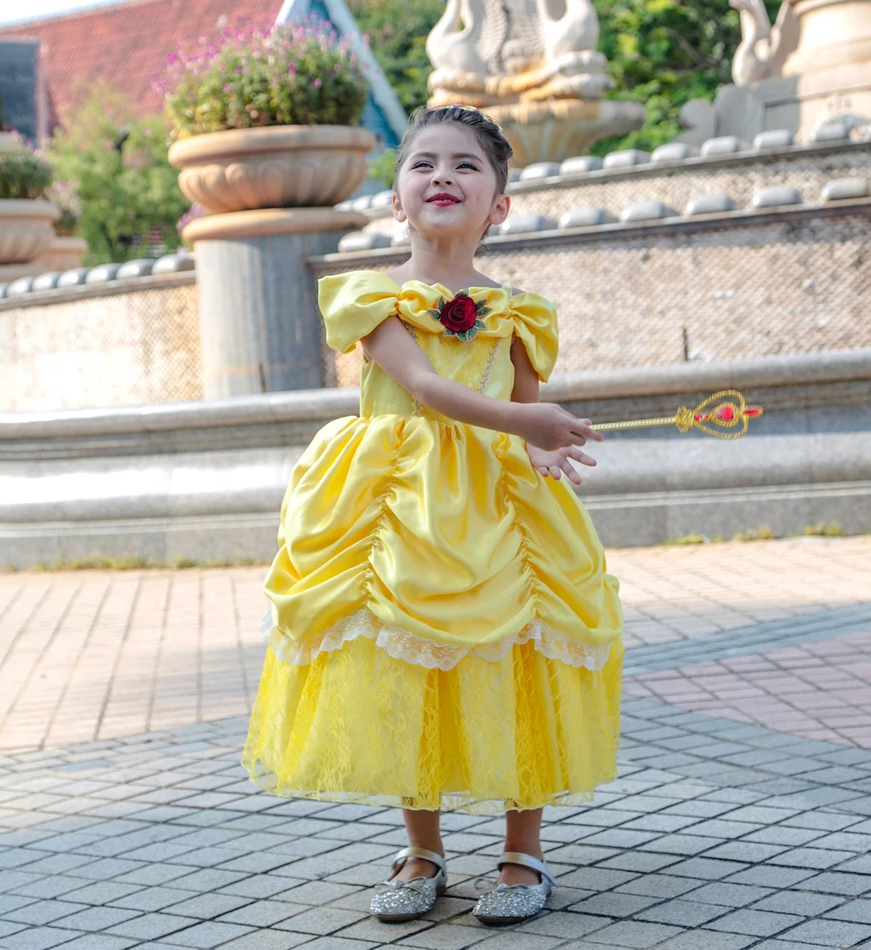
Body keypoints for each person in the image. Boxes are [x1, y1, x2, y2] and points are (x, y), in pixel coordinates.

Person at [242, 104, 624, 927]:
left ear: (500, 205)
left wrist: (541, 449)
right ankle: (422, 850)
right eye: (423, 163)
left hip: (498, 511)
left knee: (522, 655)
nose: (442, 175)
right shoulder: (375, 300)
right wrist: (529, 422)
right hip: (401, 506)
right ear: (396, 199)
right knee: (403, 660)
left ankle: (524, 852)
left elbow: (521, 405)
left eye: (466, 165)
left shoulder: (517, 312)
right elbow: (426, 389)